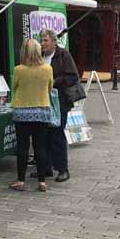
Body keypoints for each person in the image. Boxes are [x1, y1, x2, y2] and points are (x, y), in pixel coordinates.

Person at [10, 38, 54, 192]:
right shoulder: (47, 69)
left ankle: (21, 181)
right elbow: (49, 88)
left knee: (22, 147)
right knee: (40, 146)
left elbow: (14, 87)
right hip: (41, 111)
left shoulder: (18, 70)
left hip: (21, 112)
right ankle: (42, 182)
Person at [39, 29, 80, 182]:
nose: (42, 44)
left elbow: (73, 76)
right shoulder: (40, 56)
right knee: (43, 135)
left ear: (54, 42)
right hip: (42, 101)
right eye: (41, 41)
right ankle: (46, 167)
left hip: (59, 101)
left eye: (46, 41)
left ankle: (63, 169)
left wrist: (55, 82)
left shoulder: (63, 55)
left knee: (57, 134)